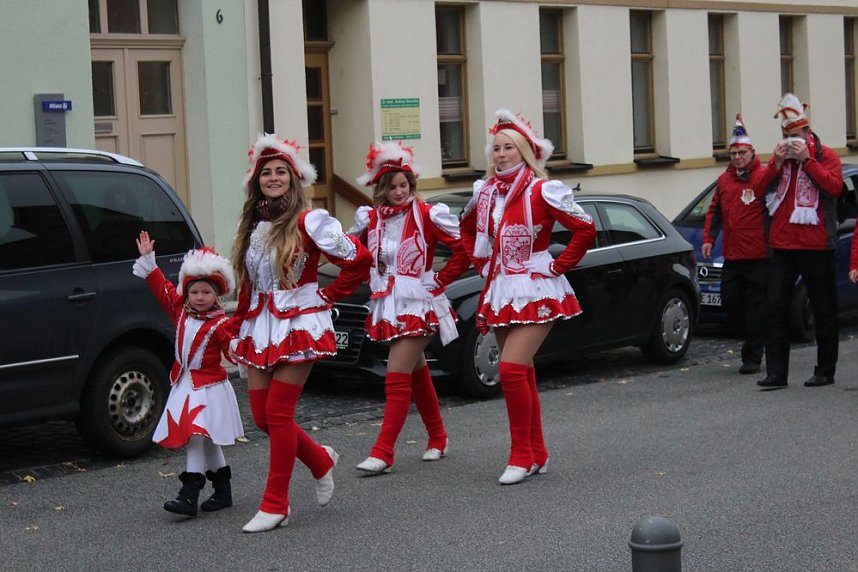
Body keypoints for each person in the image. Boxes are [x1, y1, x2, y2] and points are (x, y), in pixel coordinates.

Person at [230, 134, 371, 532]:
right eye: (266, 173)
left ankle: (276, 503)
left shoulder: (311, 221)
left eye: (281, 173)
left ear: (294, 180)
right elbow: (249, 283)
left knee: (278, 413)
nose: (273, 178)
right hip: (261, 326)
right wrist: (237, 323)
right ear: (257, 180)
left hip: (299, 324)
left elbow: (358, 261)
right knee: (261, 417)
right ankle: (320, 460)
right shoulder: (253, 223)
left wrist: (327, 294)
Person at [460, 109, 596, 484]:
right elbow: (466, 229)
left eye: (509, 148)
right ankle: (536, 453)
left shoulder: (542, 190)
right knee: (523, 373)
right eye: (497, 148)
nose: (501, 154)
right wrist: (481, 262)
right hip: (503, 286)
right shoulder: (485, 192)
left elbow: (584, 229)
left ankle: (520, 455)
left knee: (511, 369)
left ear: (524, 152)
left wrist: (556, 266)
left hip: (536, 286)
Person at [349, 142, 470, 474]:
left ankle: (383, 451)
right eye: (392, 187)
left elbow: (464, 248)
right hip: (388, 304)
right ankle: (438, 436)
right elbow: (354, 256)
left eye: (404, 185)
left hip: (419, 302)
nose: (399, 192)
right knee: (417, 373)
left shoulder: (428, 215)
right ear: (382, 189)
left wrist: (440, 279)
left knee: (396, 373)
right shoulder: (371, 219)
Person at [132, 233, 244, 517]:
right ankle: (223, 490)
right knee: (206, 440)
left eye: (206, 292)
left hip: (210, 388)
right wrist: (149, 260)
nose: (200, 297)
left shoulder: (221, 324)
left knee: (196, 436)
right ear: (188, 293)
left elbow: (233, 351)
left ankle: (189, 495)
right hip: (185, 384)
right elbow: (161, 288)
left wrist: (244, 349)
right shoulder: (180, 312)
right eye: (195, 292)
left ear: (217, 295)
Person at [756, 93, 844, 389]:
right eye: (785, 136)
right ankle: (776, 373)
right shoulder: (780, 158)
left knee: (823, 308)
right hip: (782, 245)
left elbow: (833, 188)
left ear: (807, 134)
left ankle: (825, 369)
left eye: (794, 136)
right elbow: (757, 191)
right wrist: (776, 164)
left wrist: (807, 161)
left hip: (817, 245)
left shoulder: (826, 156)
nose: (790, 141)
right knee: (775, 307)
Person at [701, 115, 769, 375]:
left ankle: (752, 355)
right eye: (733, 153)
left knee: (755, 305)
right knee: (730, 301)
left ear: (752, 153)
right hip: (733, 253)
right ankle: (756, 334)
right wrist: (709, 238)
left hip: (758, 254)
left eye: (742, 153)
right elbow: (714, 211)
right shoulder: (724, 181)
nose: (738, 157)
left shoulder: (762, 177)